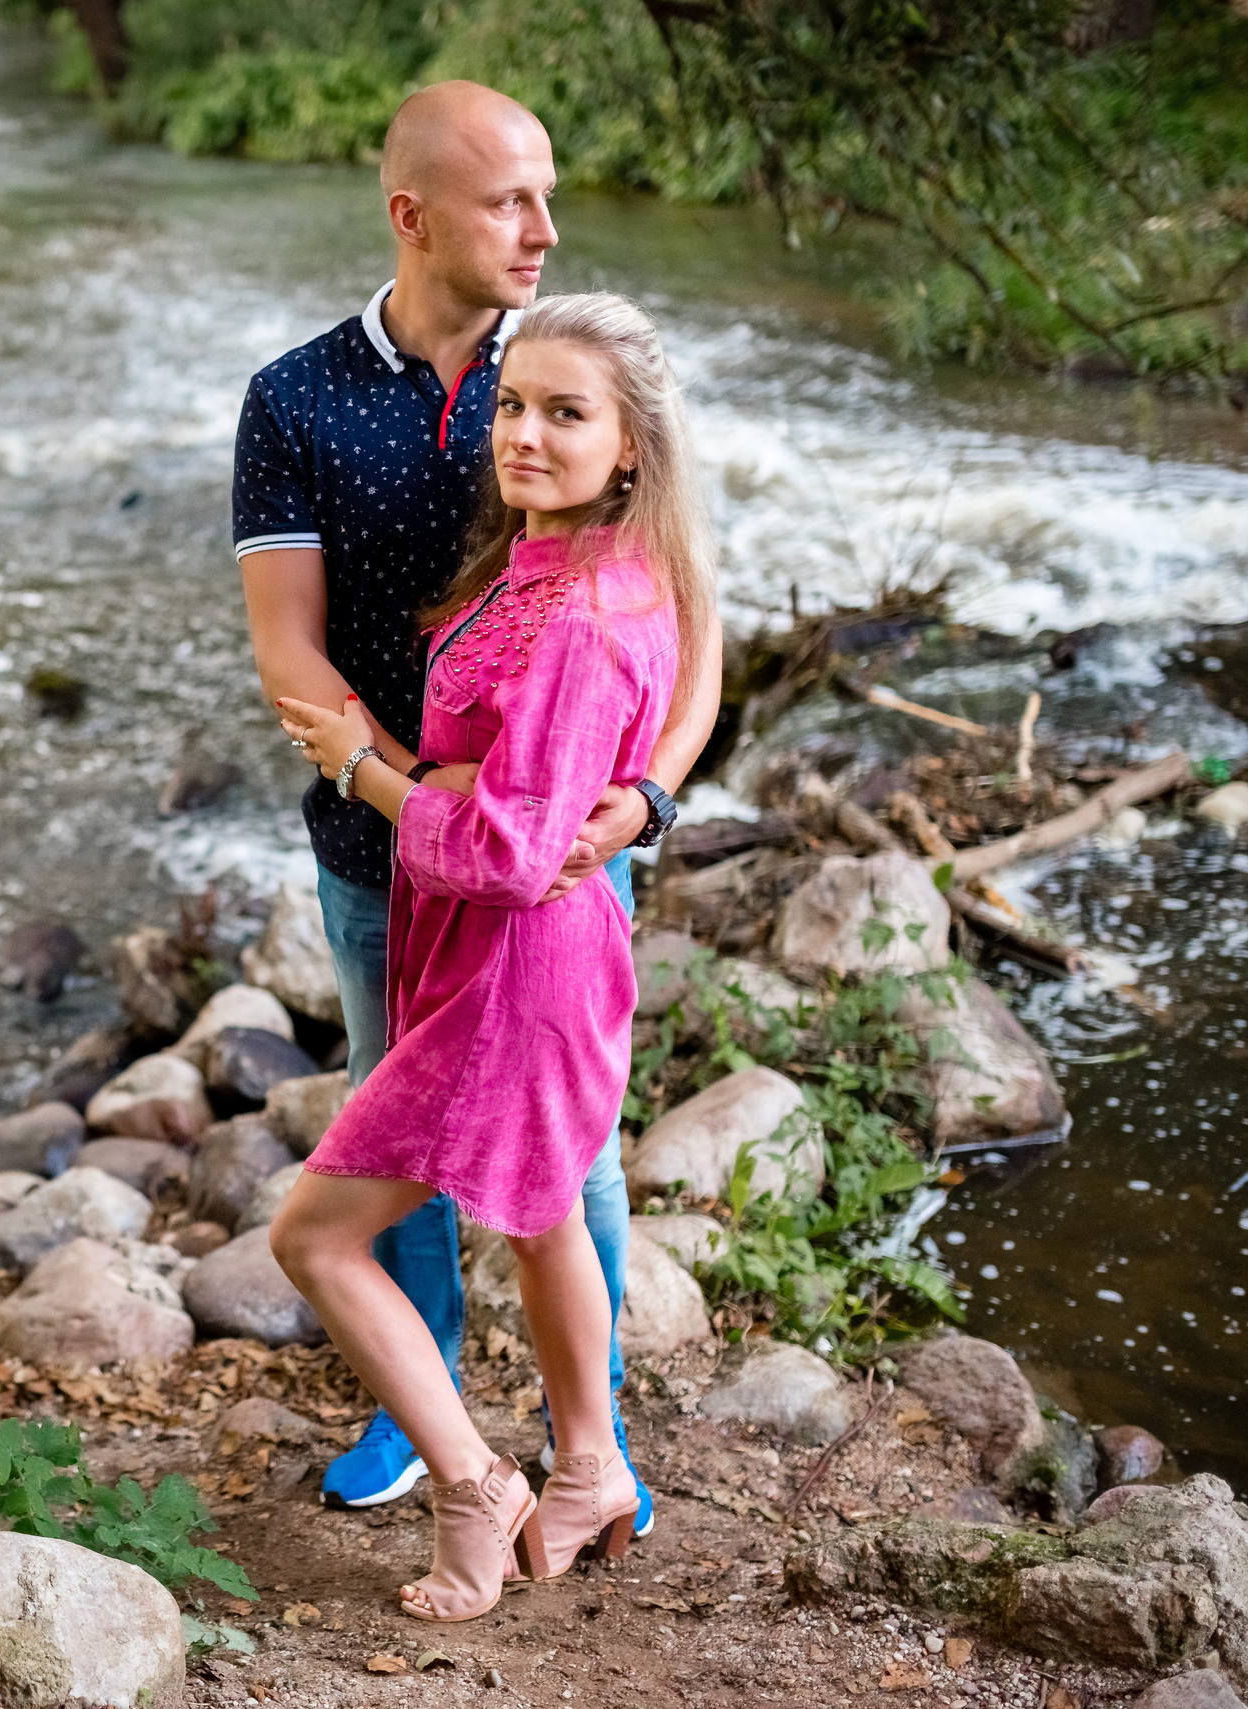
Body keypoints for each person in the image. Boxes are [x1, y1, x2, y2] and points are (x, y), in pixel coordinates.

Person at [231, 82, 718, 1519]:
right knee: (397, 1126)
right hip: (386, 847)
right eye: (510, 199)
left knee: (577, 1158)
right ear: (412, 215)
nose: (543, 229)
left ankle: (593, 1431)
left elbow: (687, 614)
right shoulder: (296, 399)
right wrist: (397, 787)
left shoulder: (575, 373)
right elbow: (287, 646)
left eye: (545, 195)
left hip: (560, 848)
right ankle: (420, 1400)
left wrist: (652, 795)